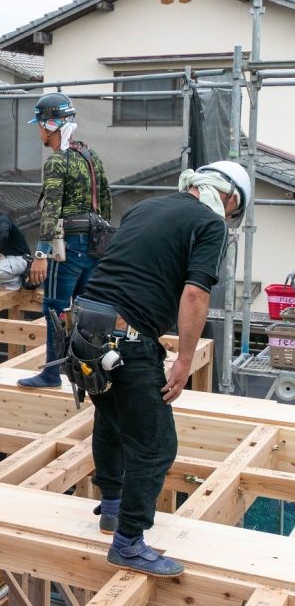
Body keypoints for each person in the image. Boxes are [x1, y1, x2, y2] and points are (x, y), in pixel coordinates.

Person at [72, 161, 249, 577]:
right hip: (124, 340)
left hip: (83, 329)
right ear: (229, 198)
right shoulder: (211, 224)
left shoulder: (147, 207)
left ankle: (112, 509)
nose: (227, 219)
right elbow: (194, 294)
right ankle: (128, 543)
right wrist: (184, 360)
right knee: (155, 447)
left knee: (111, 418)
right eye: (231, 212)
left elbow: (132, 271)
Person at [19, 93, 111, 388]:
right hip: (95, 245)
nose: (39, 132)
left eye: (39, 126)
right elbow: (105, 201)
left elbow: (51, 208)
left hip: (68, 246)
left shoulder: (58, 162)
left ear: (49, 126)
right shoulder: (91, 156)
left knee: (55, 310)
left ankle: (51, 374)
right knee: (87, 313)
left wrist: (41, 253)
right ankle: (89, 374)